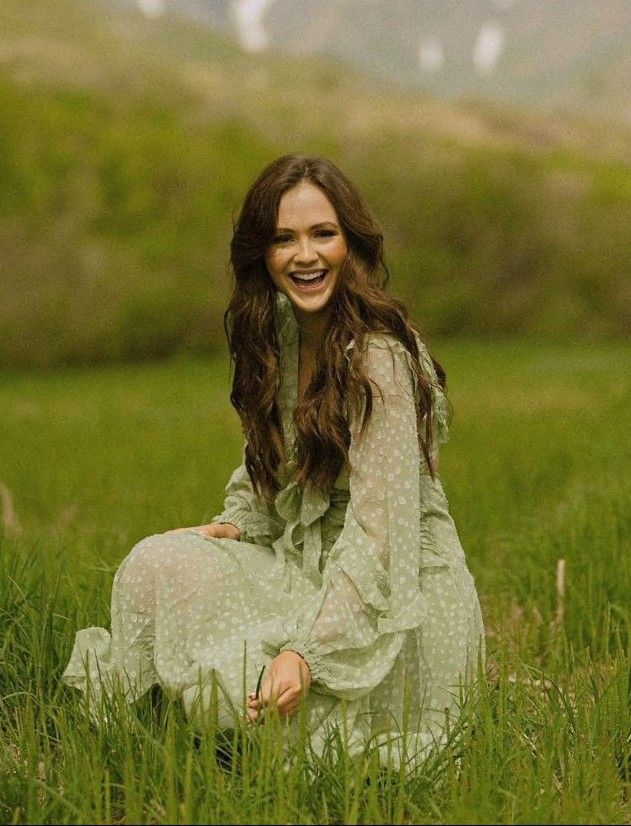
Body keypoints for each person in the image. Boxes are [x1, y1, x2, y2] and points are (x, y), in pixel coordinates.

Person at [62, 154, 485, 767]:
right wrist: (237, 525)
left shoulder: (379, 359)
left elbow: (381, 537)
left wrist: (308, 653)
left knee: (301, 738)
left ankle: (251, 722)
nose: (305, 256)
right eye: (284, 238)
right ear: (261, 252)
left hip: (394, 602)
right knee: (157, 563)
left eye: (323, 234)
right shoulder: (277, 341)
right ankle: (189, 724)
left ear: (352, 244)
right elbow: (261, 475)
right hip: (305, 566)